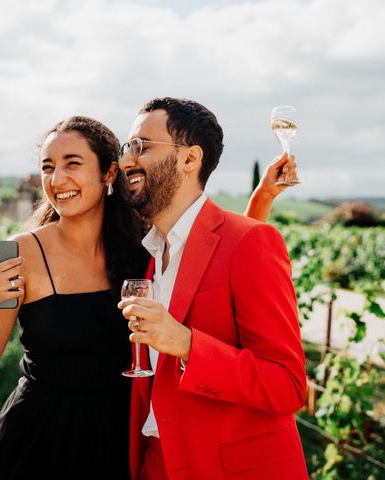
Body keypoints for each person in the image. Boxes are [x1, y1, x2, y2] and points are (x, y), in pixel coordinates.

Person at [0, 114, 296, 479]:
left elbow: (211, 259)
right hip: (38, 437)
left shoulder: (143, 247)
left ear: (109, 175)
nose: (57, 180)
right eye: (47, 167)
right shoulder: (18, 254)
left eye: (72, 163)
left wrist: (261, 201)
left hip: (119, 439)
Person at [117, 97, 308, 479]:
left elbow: (287, 386)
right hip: (156, 461)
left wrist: (187, 343)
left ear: (190, 160)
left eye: (142, 146)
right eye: (127, 148)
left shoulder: (252, 242)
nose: (126, 161)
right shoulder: (154, 252)